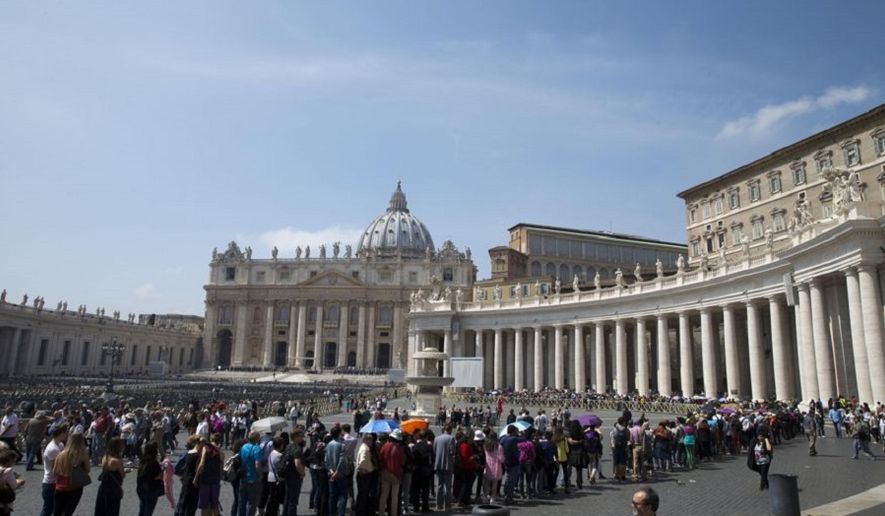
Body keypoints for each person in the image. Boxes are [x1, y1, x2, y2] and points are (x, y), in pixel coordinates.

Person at [53, 432, 90, 516]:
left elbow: (55, 471)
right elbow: (88, 469)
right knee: (68, 512)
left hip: (60, 487)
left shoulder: (60, 454)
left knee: (57, 512)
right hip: (74, 486)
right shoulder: (82, 454)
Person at [93, 437, 125, 516]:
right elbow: (122, 475)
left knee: (101, 510)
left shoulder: (105, 457)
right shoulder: (117, 460)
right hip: (113, 489)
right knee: (112, 511)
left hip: (103, 487)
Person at [41, 424, 68, 516]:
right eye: (65, 432)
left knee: (53, 508)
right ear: (61, 433)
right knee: (48, 509)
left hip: (54, 481)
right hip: (51, 483)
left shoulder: (59, 445)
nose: (67, 434)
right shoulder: (53, 449)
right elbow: (56, 469)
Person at [195, 434, 224, 516]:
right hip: (215, 480)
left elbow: (201, 464)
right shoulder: (221, 452)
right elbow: (221, 469)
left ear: (211, 439)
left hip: (205, 480)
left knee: (205, 505)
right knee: (214, 504)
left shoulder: (206, 448)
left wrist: (196, 477)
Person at [237, 431, 264, 516]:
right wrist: (260, 475)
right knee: (252, 502)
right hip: (253, 478)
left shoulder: (244, 447)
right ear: (257, 439)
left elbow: (240, 459)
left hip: (244, 476)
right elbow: (257, 464)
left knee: (242, 501)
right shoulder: (257, 449)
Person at [378, 429, 405, 516]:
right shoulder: (399, 449)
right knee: (394, 497)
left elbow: (381, 458)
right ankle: (393, 513)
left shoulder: (385, 446)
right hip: (396, 475)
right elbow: (402, 462)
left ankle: (381, 513)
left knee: (384, 495)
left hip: (385, 472)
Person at [175, 434, 201, 516]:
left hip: (186, 480)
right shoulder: (197, 455)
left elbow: (177, 467)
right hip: (194, 481)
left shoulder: (187, 453)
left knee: (182, 502)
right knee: (191, 505)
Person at [137, 442, 165, 516]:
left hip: (141, 489)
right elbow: (159, 476)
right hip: (151, 489)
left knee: (142, 510)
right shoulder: (154, 463)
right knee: (148, 512)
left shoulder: (142, 461)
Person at [433, 424, 455, 510]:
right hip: (447, 464)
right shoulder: (451, 438)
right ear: (450, 430)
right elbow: (452, 451)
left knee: (439, 485)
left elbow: (434, 450)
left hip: (438, 464)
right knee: (447, 486)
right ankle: (447, 505)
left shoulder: (436, 438)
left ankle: (438, 504)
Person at [0, 449, 25, 516]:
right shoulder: (8, 471)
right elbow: (14, 486)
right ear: (9, 460)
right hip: (3, 502)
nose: (14, 463)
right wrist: (19, 481)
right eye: (14, 461)